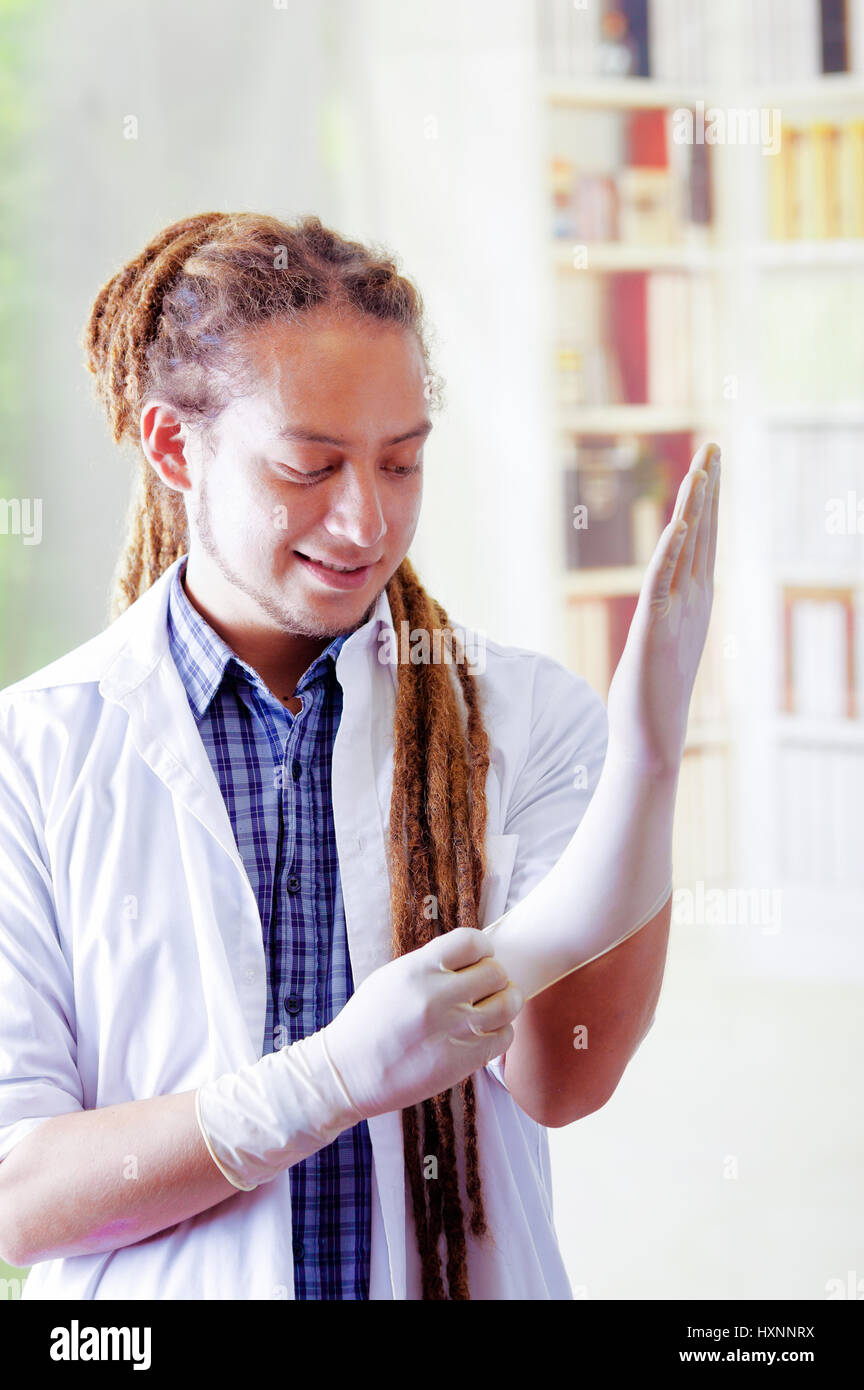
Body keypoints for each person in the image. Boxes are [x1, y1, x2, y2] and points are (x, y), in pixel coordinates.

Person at [0, 212, 719, 1300]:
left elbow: (567, 1075)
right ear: (171, 445)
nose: (364, 521)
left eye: (402, 462)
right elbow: (23, 1193)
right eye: (309, 465)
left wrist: (649, 772)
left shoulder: (524, 717)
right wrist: (330, 1077)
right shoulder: (35, 752)